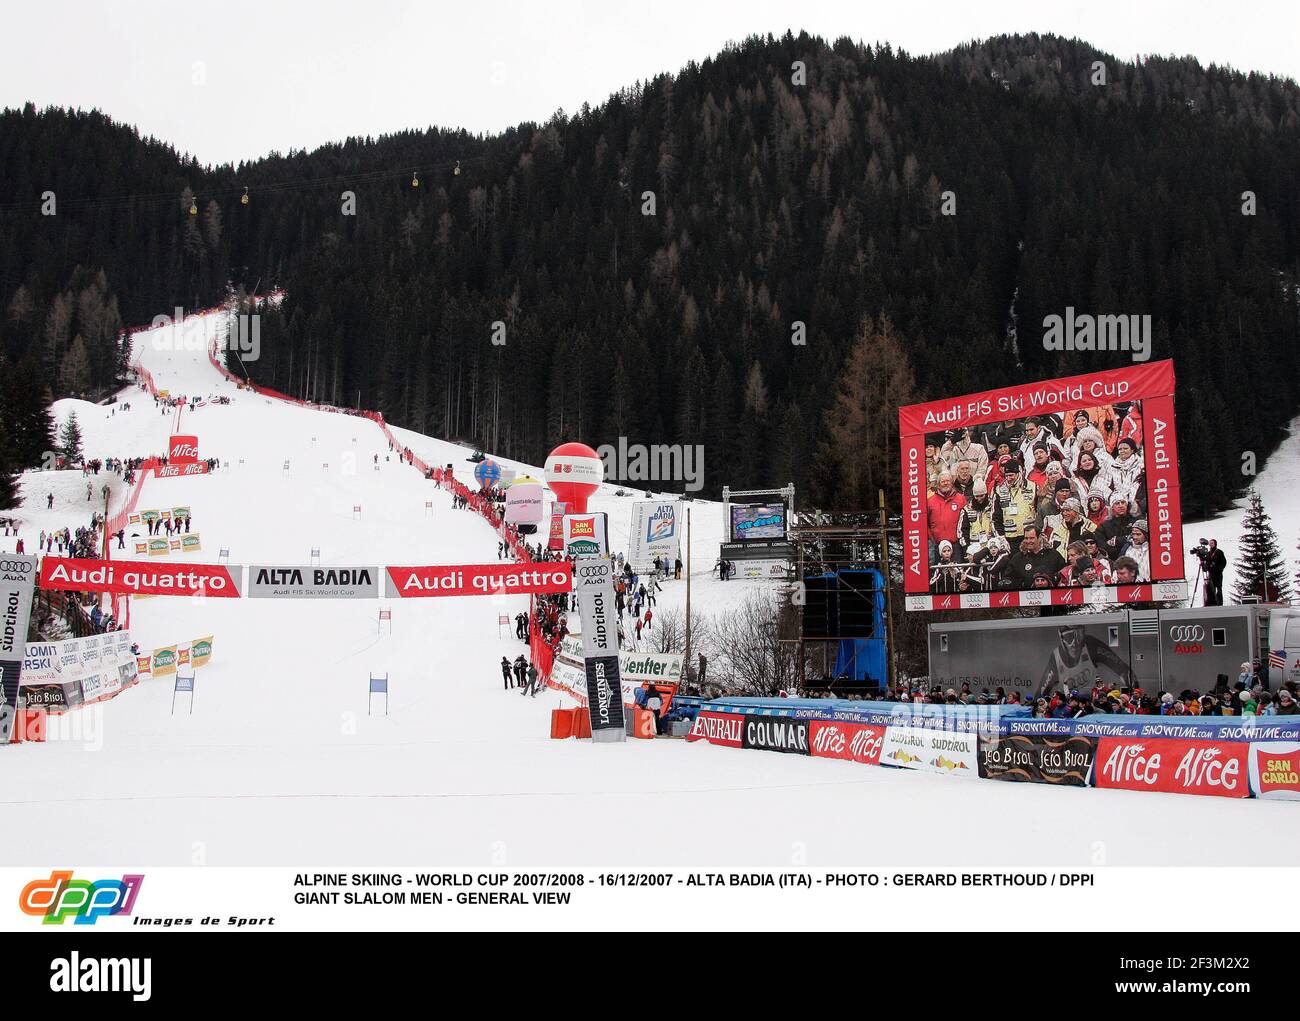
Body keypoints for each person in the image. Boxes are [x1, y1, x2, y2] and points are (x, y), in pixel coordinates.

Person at [1205, 539, 1227, 606]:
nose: (1210, 544)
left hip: (1218, 574)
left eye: (1212, 543)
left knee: (1219, 588)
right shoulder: (1208, 553)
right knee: (1211, 588)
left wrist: (1219, 569)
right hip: (1211, 574)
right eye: (1210, 543)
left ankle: (1220, 603)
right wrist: (1206, 567)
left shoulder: (1219, 552)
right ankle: (1212, 602)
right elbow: (1207, 563)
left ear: (1215, 544)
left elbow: (1224, 562)